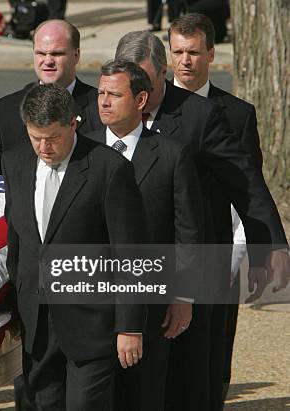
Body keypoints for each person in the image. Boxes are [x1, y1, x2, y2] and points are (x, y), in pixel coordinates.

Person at [81, 30, 289, 411]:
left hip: (190, 266)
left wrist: (269, 245)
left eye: (147, 81)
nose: (140, 92)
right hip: (120, 278)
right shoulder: (96, 121)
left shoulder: (200, 116)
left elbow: (245, 185)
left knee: (191, 379)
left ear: (163, 73)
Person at [3, 83, 146, 410]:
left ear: (73, 123)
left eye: (52, 138)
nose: (43, 147)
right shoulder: (14, 163)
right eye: (35, 137)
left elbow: (130, 253)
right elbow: (17, 242)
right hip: (36, 322)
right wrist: (14, 305)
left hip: (92, 321)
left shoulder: (109, 169)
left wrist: (130, 327)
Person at [85, 59, 204, 411]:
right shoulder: (81, 149)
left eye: (114, 94)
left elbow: (187, 232)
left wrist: (184, 297)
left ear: (140, 100)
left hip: (150, 300)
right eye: (101, 93)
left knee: (144, 393)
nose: (104, 102)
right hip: (89, 298)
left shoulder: (171, 154)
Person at [167, 13, 263, 410]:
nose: (185, 61)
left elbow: (249, 193)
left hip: (216, 253)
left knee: (212, 357)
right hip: (160, 253)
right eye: (178, 52)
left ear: (211, 54)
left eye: (193, 52)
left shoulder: (237, 115)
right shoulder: (148, 108)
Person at [0, 19, 98, 177]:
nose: (48, 61)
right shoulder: (4, 111)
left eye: (57, 53)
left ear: (76, 56)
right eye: (41, 53)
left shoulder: (100, 107)